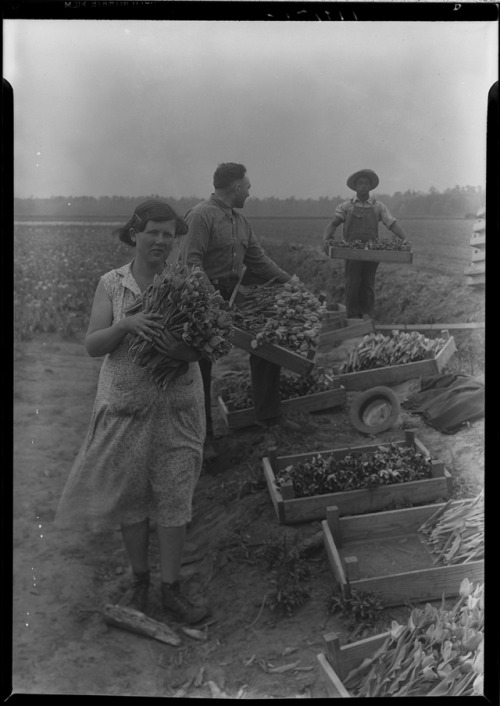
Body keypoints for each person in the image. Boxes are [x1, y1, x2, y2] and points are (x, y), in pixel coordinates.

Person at [55, 200, 209, 625]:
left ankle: (171, 589)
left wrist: (175, 349)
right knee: (131, 499)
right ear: (135, 234)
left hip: (177, 408)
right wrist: (125, 326)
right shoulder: (112, 284)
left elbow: (204, 348)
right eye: (153, 232)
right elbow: (92, 345)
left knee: (175, 497)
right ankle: (140, 581)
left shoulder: (187, 283)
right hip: (125, 408)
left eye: (168, 234)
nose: (161, 240)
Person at [180, 162, 301, 454]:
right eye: (247, 187)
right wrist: (213, 301)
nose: (249, 192)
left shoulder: (241, 221)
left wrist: (292, 283)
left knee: (266, 343)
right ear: (236, 187)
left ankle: (269, 419)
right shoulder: (200, 216)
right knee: (200, 368)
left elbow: (258, 261)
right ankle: (203, 438)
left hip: (234, 294)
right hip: (201, 298)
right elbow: (190, 265)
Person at [322, 169, 408, 318]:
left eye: (366, 184)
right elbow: (333, 224)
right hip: (351, 251)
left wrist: (404, 238)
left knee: (367, 284)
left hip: (372, 251)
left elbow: (391, 223)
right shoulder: (346, 206)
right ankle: (353, 317)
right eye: (360, 183)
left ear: (370, 187)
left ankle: (367, 316)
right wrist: (325, 240)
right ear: (355, 187)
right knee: (353, 283)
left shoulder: (378, 206)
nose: (363, 186)